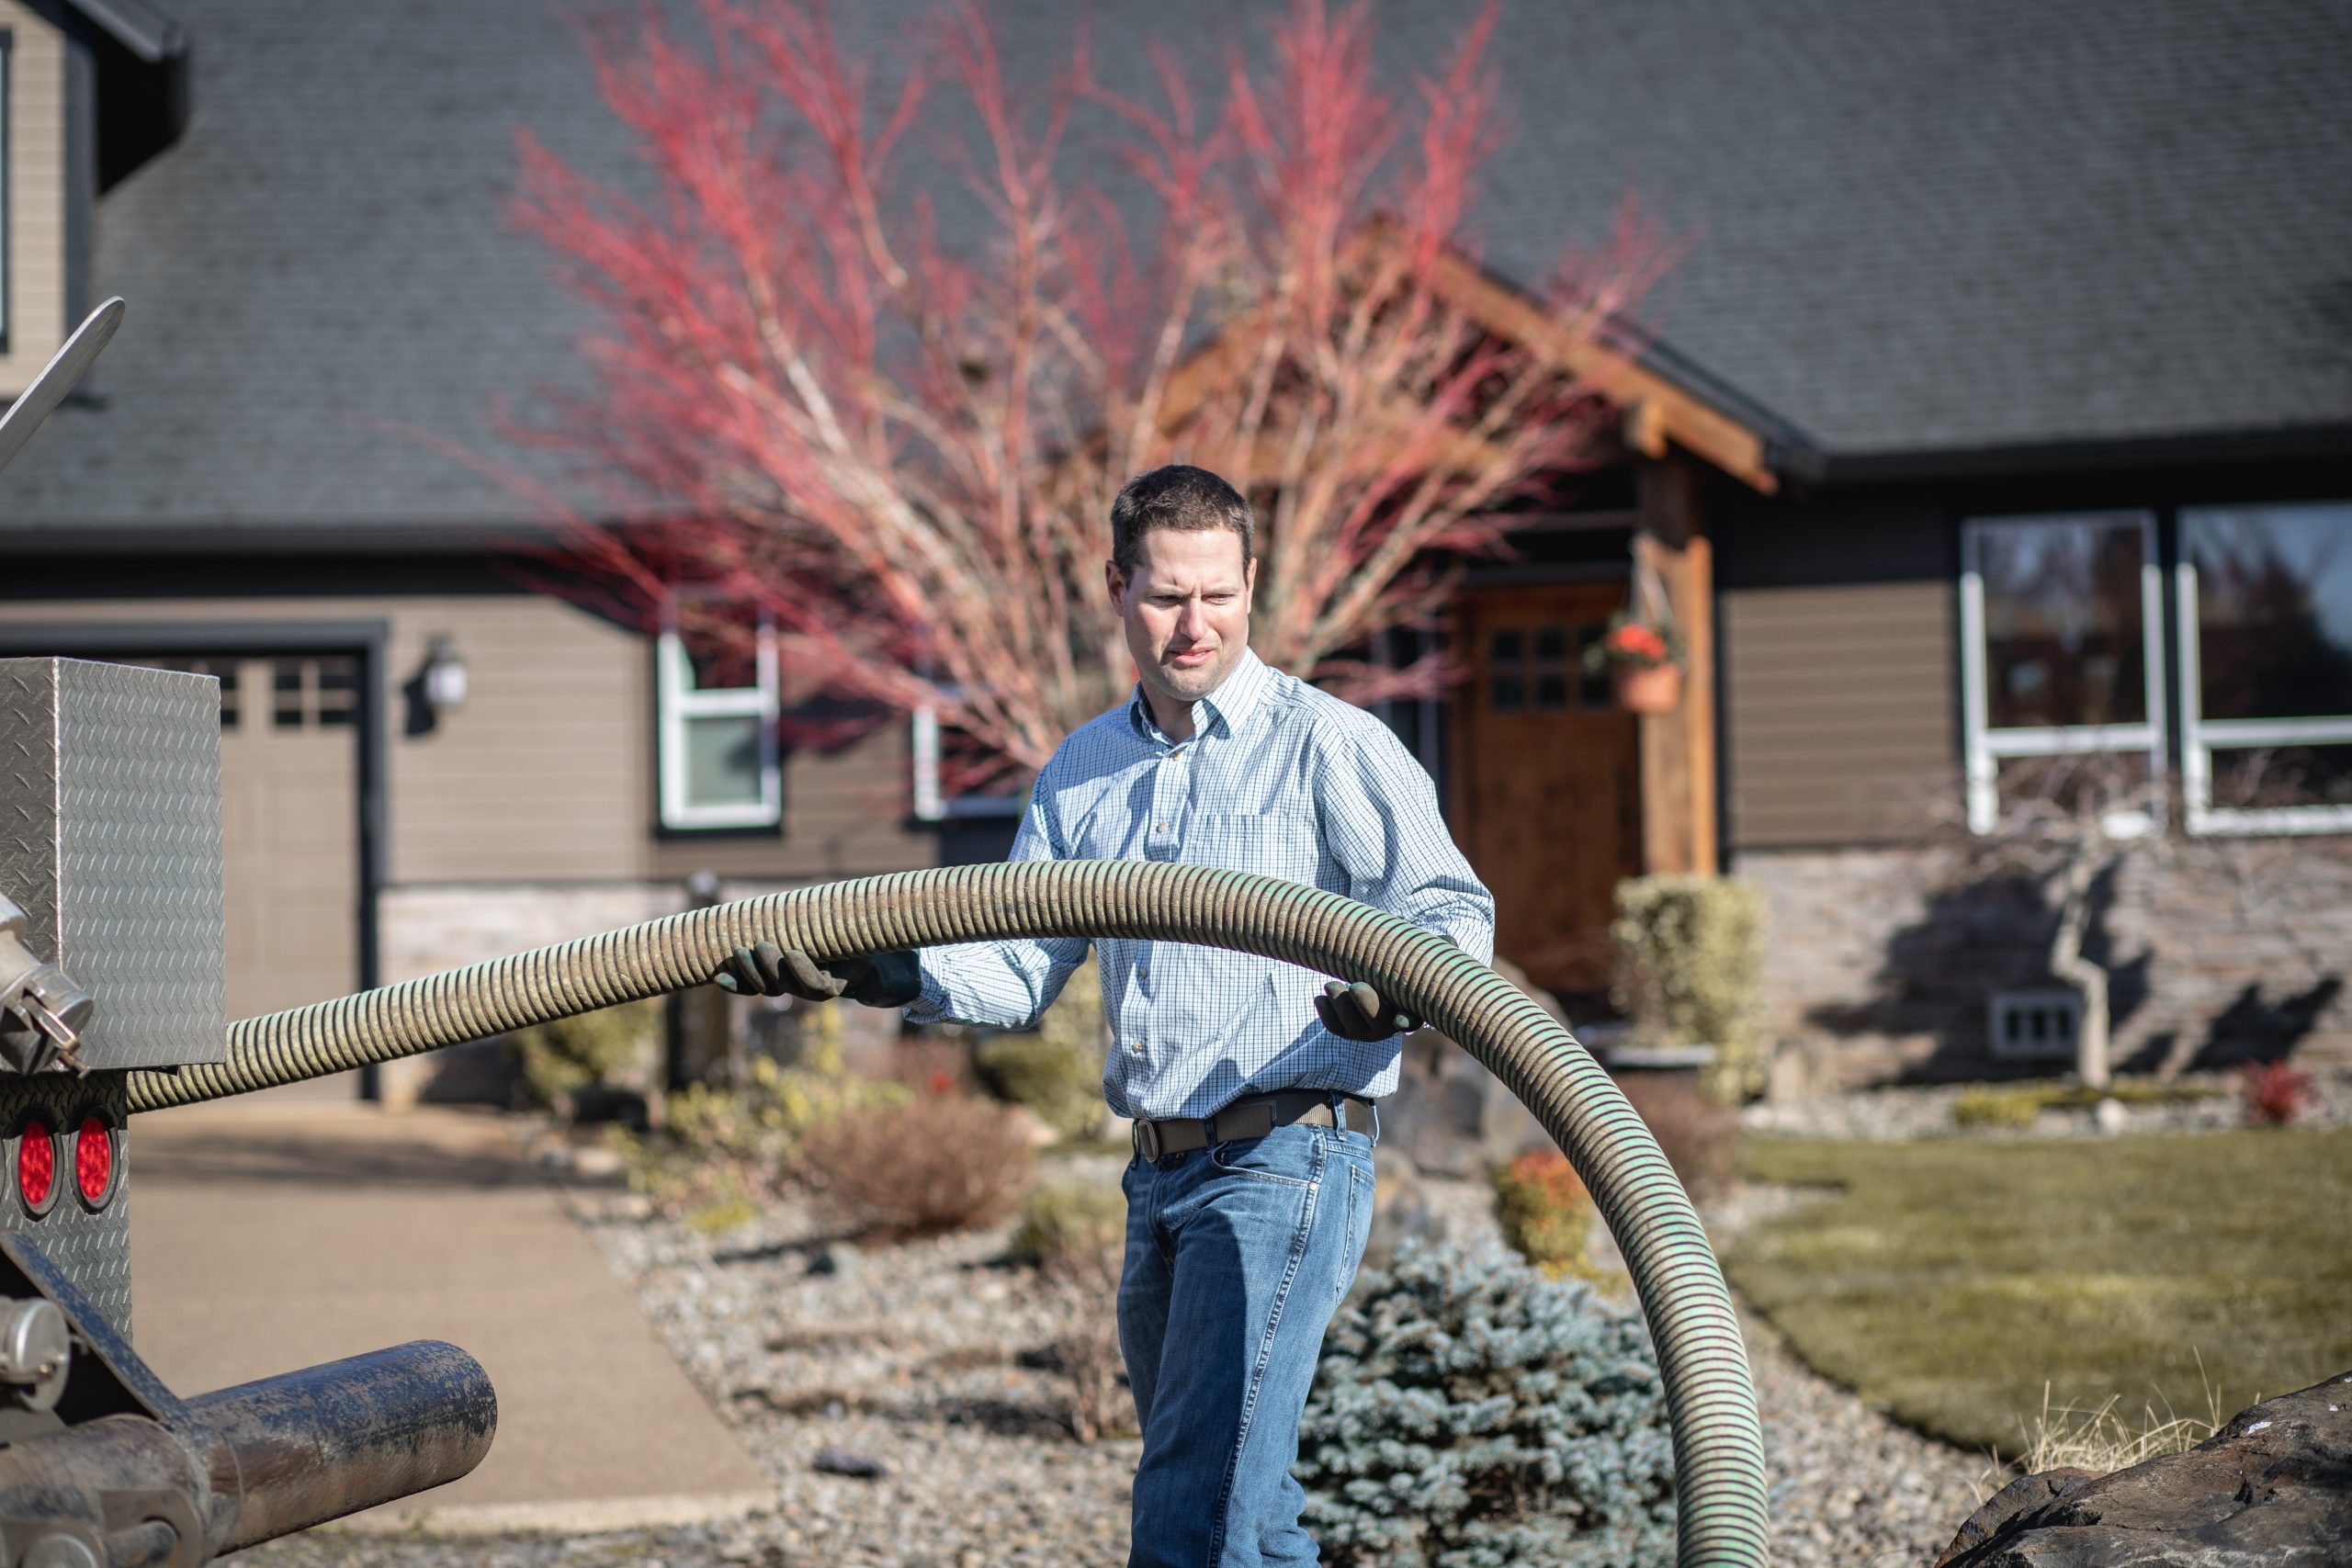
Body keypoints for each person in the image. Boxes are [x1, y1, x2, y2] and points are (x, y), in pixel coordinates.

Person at [715, 464, 1495, 1567]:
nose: (1194, 624)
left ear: (1251, 585)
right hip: (1157, 1175)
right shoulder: (1084, 770)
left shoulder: (1329, 745)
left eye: (1218, 594)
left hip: (1285, 1159)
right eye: (1167, 594)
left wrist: (1397, 988)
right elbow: (1023, 966)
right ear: (1118, 588)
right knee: (1250, 1516)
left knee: (1190, 1514)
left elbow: (1447, 906)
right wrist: (890, 976)